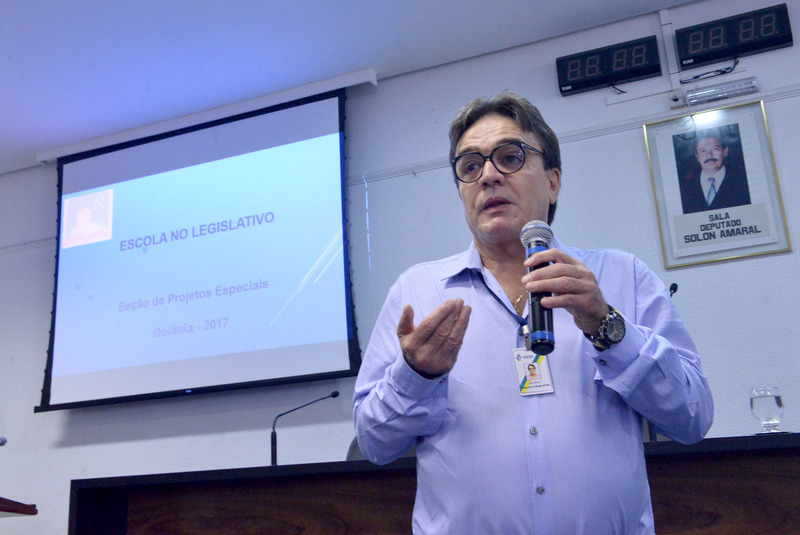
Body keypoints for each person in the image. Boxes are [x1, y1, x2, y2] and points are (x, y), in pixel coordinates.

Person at [353, 92, 713, 534]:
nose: (488, 176)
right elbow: (374, 444)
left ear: (553, 181)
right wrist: (416, 376)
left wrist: (608, 327)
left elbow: (693, 417)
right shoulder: (418, 292)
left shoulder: (622, 276)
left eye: (510, 157)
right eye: (470, 166)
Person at [679, 132, 751, 214]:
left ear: (725, 151)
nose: (709, 155)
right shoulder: (685, 188)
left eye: (715, 149)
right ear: (697, 156)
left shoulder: (743, 182)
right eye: (703, 151)